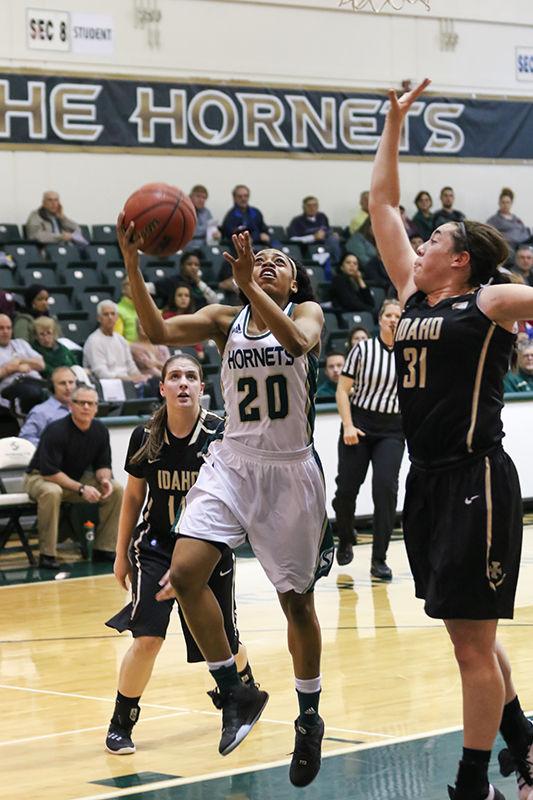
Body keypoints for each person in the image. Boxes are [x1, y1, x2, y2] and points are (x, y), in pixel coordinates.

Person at [119, 220, 333, 787]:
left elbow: (297, 343)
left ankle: (308, 716)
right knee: (185, 575)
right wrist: (134, 265)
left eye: (279, 262)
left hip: (289, 474)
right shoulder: (224, 319)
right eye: (258, 258)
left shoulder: (308, 314)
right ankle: (234, 689)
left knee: (298, 606)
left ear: (294, 283)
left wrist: (250, 286)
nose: (266, 263)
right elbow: (156, 329)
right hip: (233, 464)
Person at [370, 77, 533, 800]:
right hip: (426, 477)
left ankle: (471, 786)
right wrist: (393, 125)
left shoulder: (489, 300)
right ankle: (525, 748)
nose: (422, 238)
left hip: (477, 479)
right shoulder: (410, 291)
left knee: (471, 644)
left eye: (434, 236)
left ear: (459, 257)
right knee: (469, 638)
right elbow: (380, 204)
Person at [104, 353, 256, 754]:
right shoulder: (145, 435)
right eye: (175, 376)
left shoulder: (220, 433)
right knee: (148, 637)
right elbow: (134, 496)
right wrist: (121, 555)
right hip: (155, 546)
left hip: (208, 547)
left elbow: (237, 500)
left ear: (202, 388)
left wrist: (191, 568)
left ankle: (245, 687)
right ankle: (122, 720)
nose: (183, 383)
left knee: (221, 636)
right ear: (163, 388)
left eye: (191, 376)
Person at [332, 300, 404, 577]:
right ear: (380, 319)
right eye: (389, 315)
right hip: (359, 424)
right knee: (346, 491)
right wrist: (348, 425)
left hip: (392, 429)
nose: (393, 320)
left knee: (386, 490)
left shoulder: (408, 353)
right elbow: (342, 390)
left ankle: (379, 559)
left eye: (398, 316)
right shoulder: (363, 349)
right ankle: (346, 535)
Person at [24, 383, 122, 570]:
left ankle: (104, 548)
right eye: (81, 403)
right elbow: (49, 472)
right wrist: (81, 488)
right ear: (71, 405)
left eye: (90, 403)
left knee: (116, 489)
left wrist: (104, 480)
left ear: (96, 407)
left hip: (72, 480)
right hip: (39, 477)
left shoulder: (100, 430)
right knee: (51, 492)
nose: (86, 407)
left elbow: (103, 465)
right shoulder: (56, 430)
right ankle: (47, 554)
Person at [83, 300, 150, 389]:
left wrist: (140, 377)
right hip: (108, 386)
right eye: (106, 314)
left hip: (128, 383)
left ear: (117, 317)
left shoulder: (121, 340)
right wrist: (130, 379)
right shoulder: (93, 341)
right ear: (99, 318)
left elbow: (130, 365)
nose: (110, 317)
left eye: (113, 314)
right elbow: (101, 373)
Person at [0, 313, 46, 416]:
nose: (5, 331)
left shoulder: (20, 343)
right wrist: (15, 368)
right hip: (12, 387)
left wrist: (20, 360)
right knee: (33, 393)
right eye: (1, 328)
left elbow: (41, 364)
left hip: (37, 382)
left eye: (8, 328)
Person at [19, 366, 76, 447]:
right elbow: (25, 440)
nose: (68, 388)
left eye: (71, 382)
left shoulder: (83, 408)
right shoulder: (40, 412)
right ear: (52, 387)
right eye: (62, 383)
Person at [149, 251, 218, 311]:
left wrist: (199, 282)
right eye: (189, 264)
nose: (193, 267)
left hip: (197, 320)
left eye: (196, 265)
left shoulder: (200, 285)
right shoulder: (172, 281)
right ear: (182, 266)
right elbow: (149, 288)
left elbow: (215, 301)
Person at [287, 196, 341, 264]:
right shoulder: (297, 221)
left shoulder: (322, 217)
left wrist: (333, 234)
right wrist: (313, 237)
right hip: (308, 248)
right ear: (304, 207)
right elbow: (293, 239)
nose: (312, 208)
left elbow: (327, 230)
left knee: (333, 239)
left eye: (315, 205)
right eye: (309, 206)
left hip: (325, 246)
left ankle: (336, 264)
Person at [187, 184, 220, 249]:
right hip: (188, 246)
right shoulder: (185, 211)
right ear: (190, 197)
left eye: (204, 198)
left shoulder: (207, 213)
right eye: (198, 196)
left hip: (204, 247)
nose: (201, 200)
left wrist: (217, 235)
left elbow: (212, 230)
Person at [115, 277, 139, 343]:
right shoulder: (116, 310)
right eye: (130, 284)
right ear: (123, 289)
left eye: (138, 283)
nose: (135, 286)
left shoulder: (147, 309)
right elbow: (117, 341)